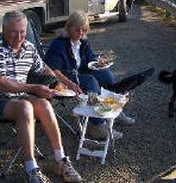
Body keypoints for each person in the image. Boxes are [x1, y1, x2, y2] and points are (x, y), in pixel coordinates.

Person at [0, 10, 82, 183]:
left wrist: (59, 83)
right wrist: (33, 88)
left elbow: (44, 69)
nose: (19, 36)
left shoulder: (28, 47)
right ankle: (31, 169)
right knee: (26, 107)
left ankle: (60, 160)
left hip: (17, 97)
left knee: (44, 105)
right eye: (14, 32)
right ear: (4, 29)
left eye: (23, 31)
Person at [44, 10, 135, 140]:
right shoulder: (59, 44)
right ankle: (97, 126)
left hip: (78, 72)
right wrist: (70, 83)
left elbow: (90, 62)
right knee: (90, 81)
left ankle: (111, 109)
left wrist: (100, 64)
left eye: (84, 29)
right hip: (62, 79)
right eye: (77, 29)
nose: (81, 33)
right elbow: (52, 70)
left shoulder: (83, 42)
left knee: (106, 75)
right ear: (69, 27)